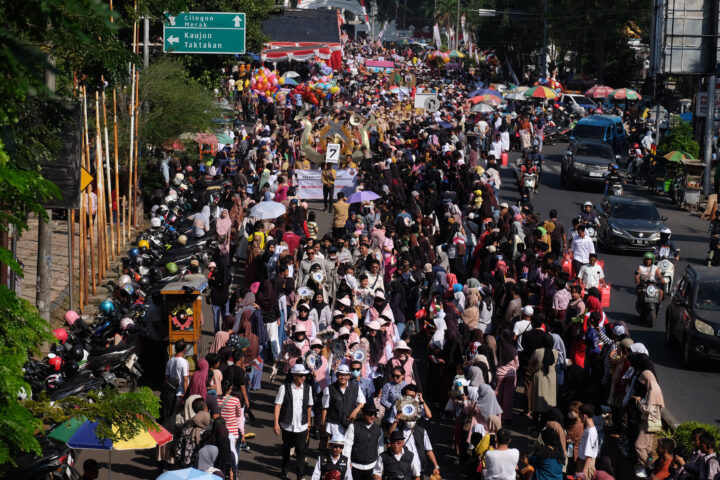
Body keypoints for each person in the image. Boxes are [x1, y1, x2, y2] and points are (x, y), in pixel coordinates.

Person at [274, 363, 314, 480]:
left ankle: (300, 475)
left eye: (304, 376)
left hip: (302, 426)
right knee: (286, 449)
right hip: (287, 426)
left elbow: (309, 407)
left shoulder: (308, 388)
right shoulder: (284, 387)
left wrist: (309, 423)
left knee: (301, 451)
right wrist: (276, 423)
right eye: (301, 375)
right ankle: (284, 470)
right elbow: (278, 406)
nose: (303, 378)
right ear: (294, 376)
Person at [633, 370, 665, 478]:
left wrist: (639, 402)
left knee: (639, 446)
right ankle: (648, 464)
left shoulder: (653, 390)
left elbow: (649, 408)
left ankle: (648, 465)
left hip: (648, 423)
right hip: (652, 423)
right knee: (648, 447)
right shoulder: (655, 388)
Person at [322, 364, 365, 438]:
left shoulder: (355, 388)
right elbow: (324, 408)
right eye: (341, 375)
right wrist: (323, 425)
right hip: (334, 425)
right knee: (335, 448)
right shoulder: (329, 389)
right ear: (337, 375)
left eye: (345, 375)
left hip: (349, 424)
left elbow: (362, 402)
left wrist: (355, 411)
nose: (343, 377)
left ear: (349, 376)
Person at [343, 403, 384, 480]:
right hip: (355, 466)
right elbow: (347, 446)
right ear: (363, 414)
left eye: (374, 414)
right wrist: (348, 462)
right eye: (370, 414)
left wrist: (380, 466)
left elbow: (380, 449)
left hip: (372, 466)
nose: (373, 416)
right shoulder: (353, 427)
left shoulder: (378, 429)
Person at [163, 340, 189, 420]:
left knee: (171, 417)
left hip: (171, 393)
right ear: (185, 349)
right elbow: (185, 380)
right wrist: (186, 394)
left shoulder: (170, 361)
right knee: (179, 418)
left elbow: (166, 377)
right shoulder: (184, 362)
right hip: (180, 394)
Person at [577, 404, 599, 479]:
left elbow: (589, 455)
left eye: (579, 415)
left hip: (587, 465)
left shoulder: (590, 432)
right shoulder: (589, 429)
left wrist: (584, 472)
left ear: (584, 416)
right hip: (584, 463)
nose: (579, 417)